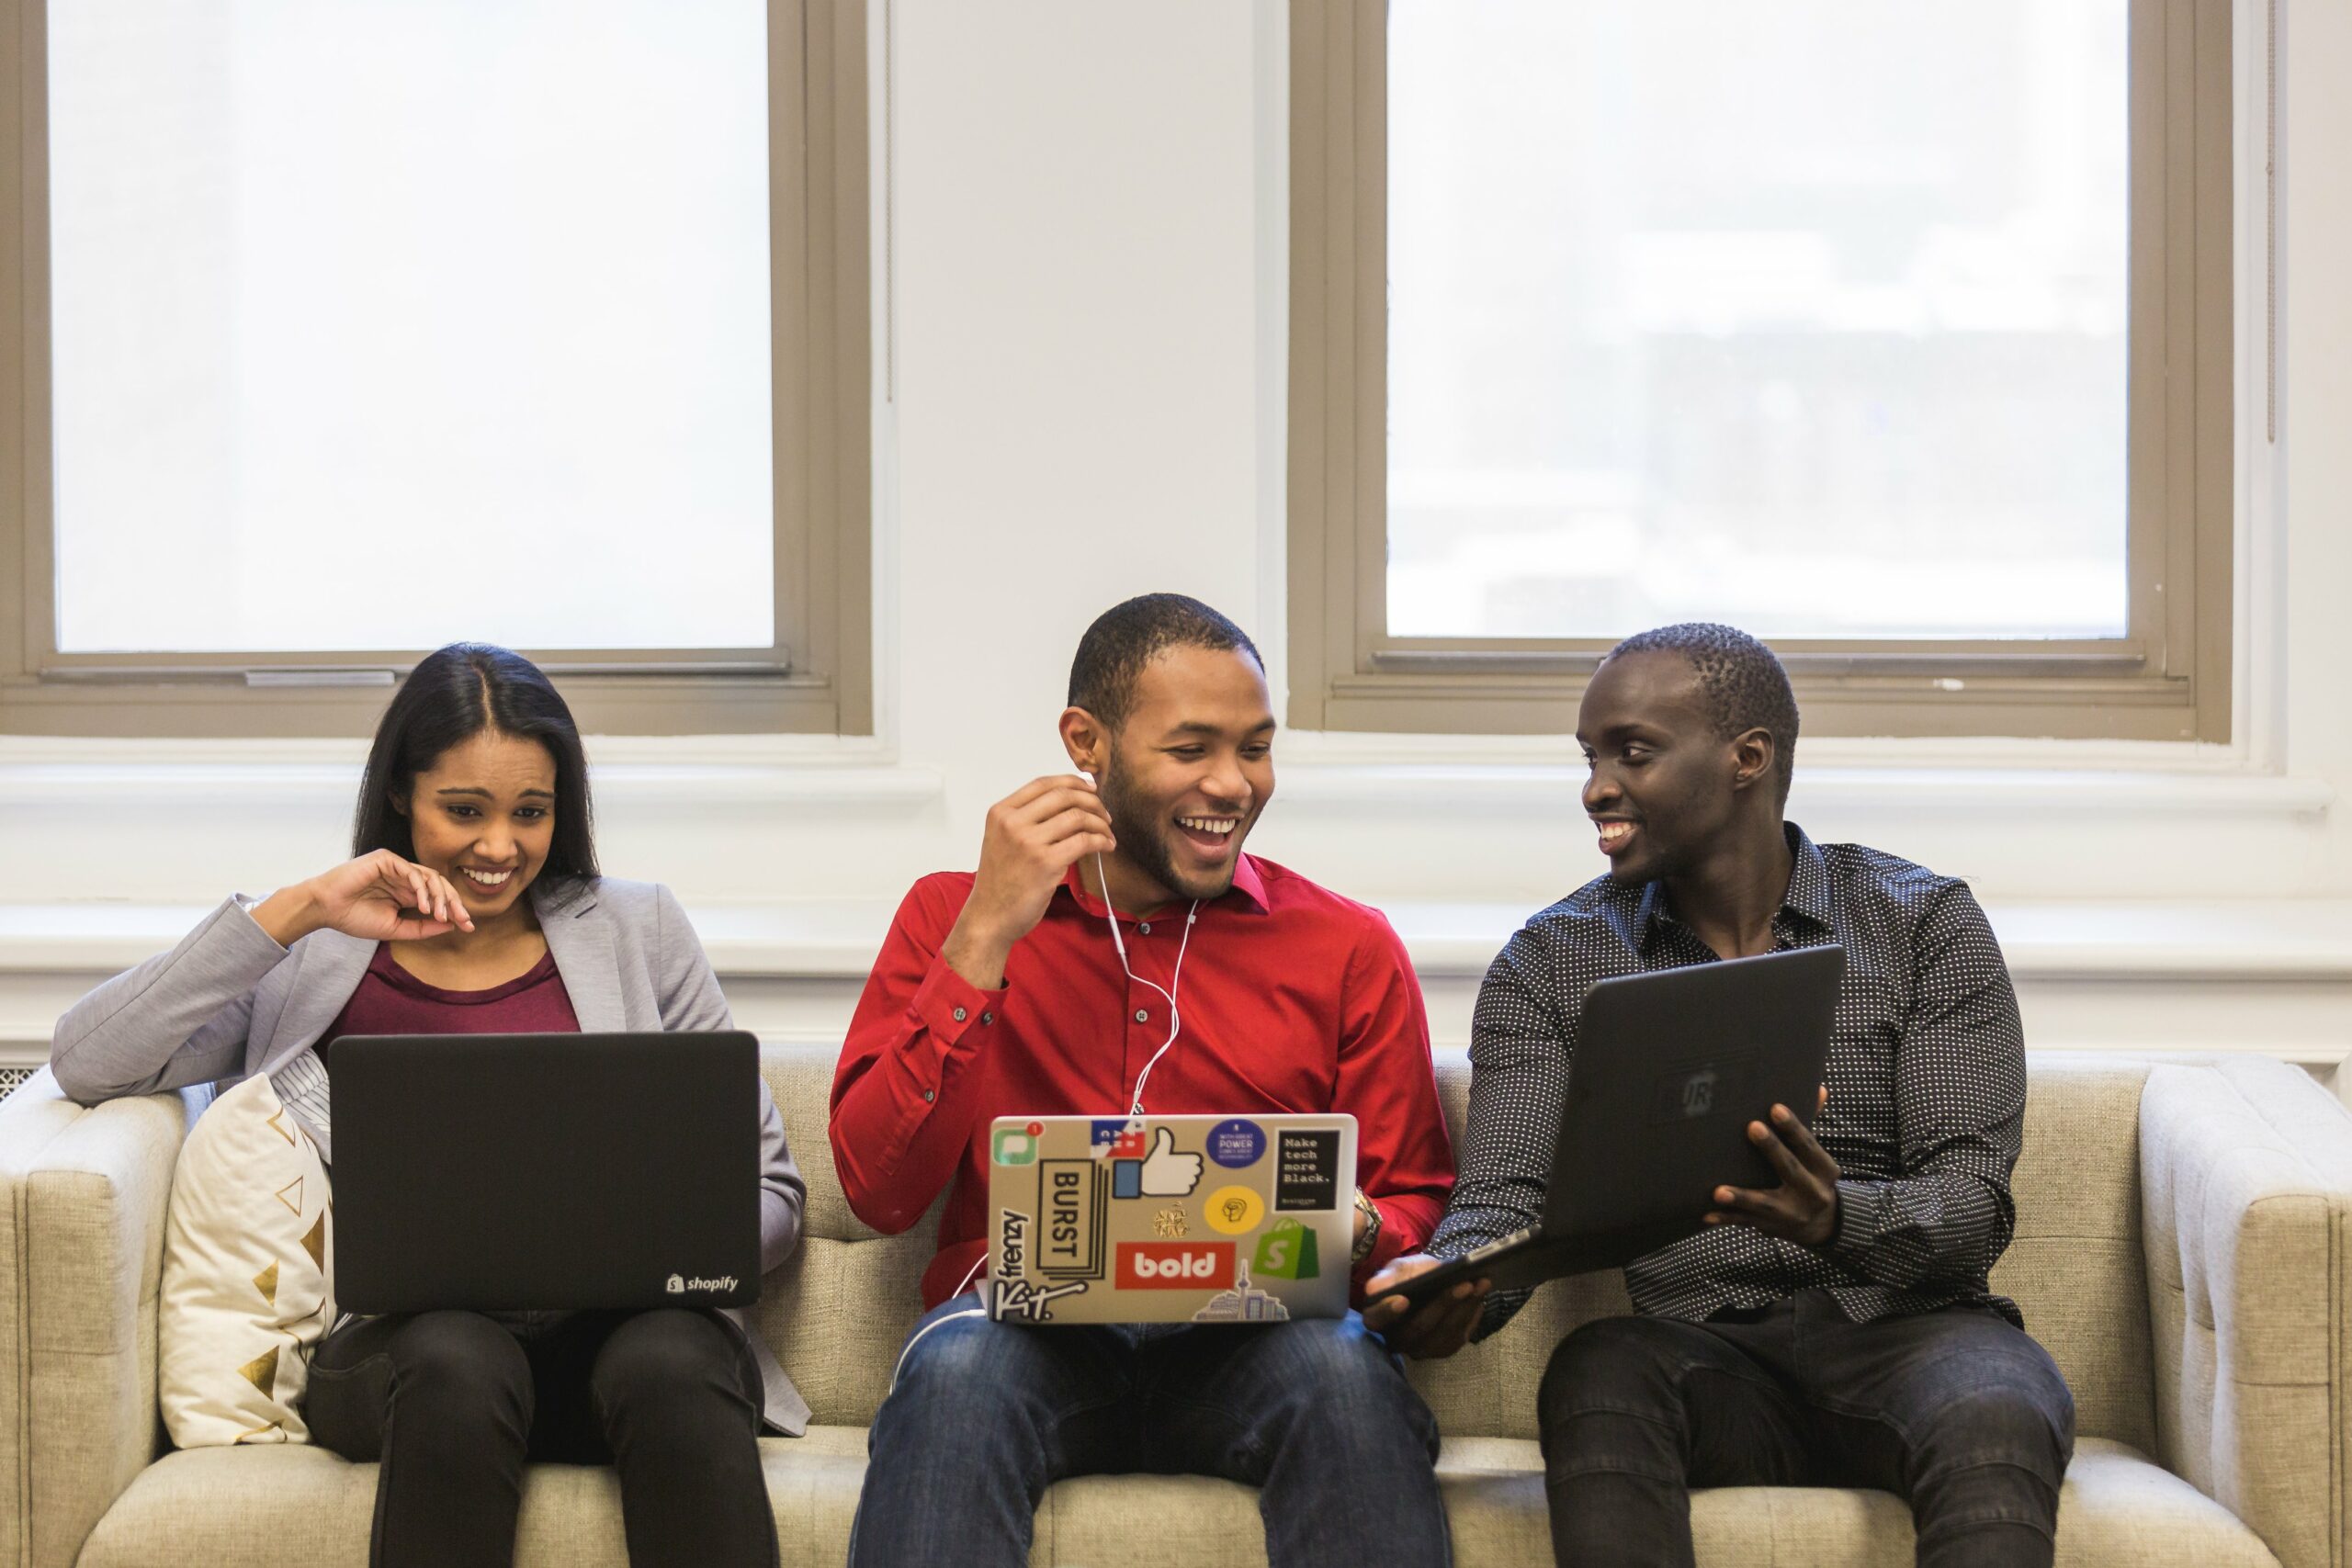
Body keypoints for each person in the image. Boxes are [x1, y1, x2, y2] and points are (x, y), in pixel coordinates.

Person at [50, 643, 799, 1568]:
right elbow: (89, 1062)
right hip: (414, 1365)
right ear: (402, 795)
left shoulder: (639, 929)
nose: (499, 847)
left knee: (675, 1360)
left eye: (531, 812)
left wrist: (670, 1252)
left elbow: (768, 1189)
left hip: (624, 1349)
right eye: (464, 811)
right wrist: (295, 910)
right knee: (458, 1354)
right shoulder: (313, 954)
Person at [1367, 622, 2075, 1568]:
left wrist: (1835, 1217)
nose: (1596, 788)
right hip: (1701, 1356)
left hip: (1912, 1340)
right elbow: (1506, 1202)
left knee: (1996, 1407)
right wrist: (1453, 1284)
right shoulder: (1552, 961)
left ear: (1747, 759)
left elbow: (1971, 1206)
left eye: (1633, 753)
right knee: (1598, 1372)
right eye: (1589, 757)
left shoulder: (1920, 923)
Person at [831, 593, 1458, 1568]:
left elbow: (1414, 1191)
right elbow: (878, 1191)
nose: (1233, 783)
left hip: (1259, 1343)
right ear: (1087, 742)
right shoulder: (950, 918)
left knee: (1344, 1376)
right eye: (1191, 748)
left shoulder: (1344, 945)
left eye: (1254, 748)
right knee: (954, 1371)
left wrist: (1367, 1226)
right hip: (1017, 1336)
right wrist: (987, 936)